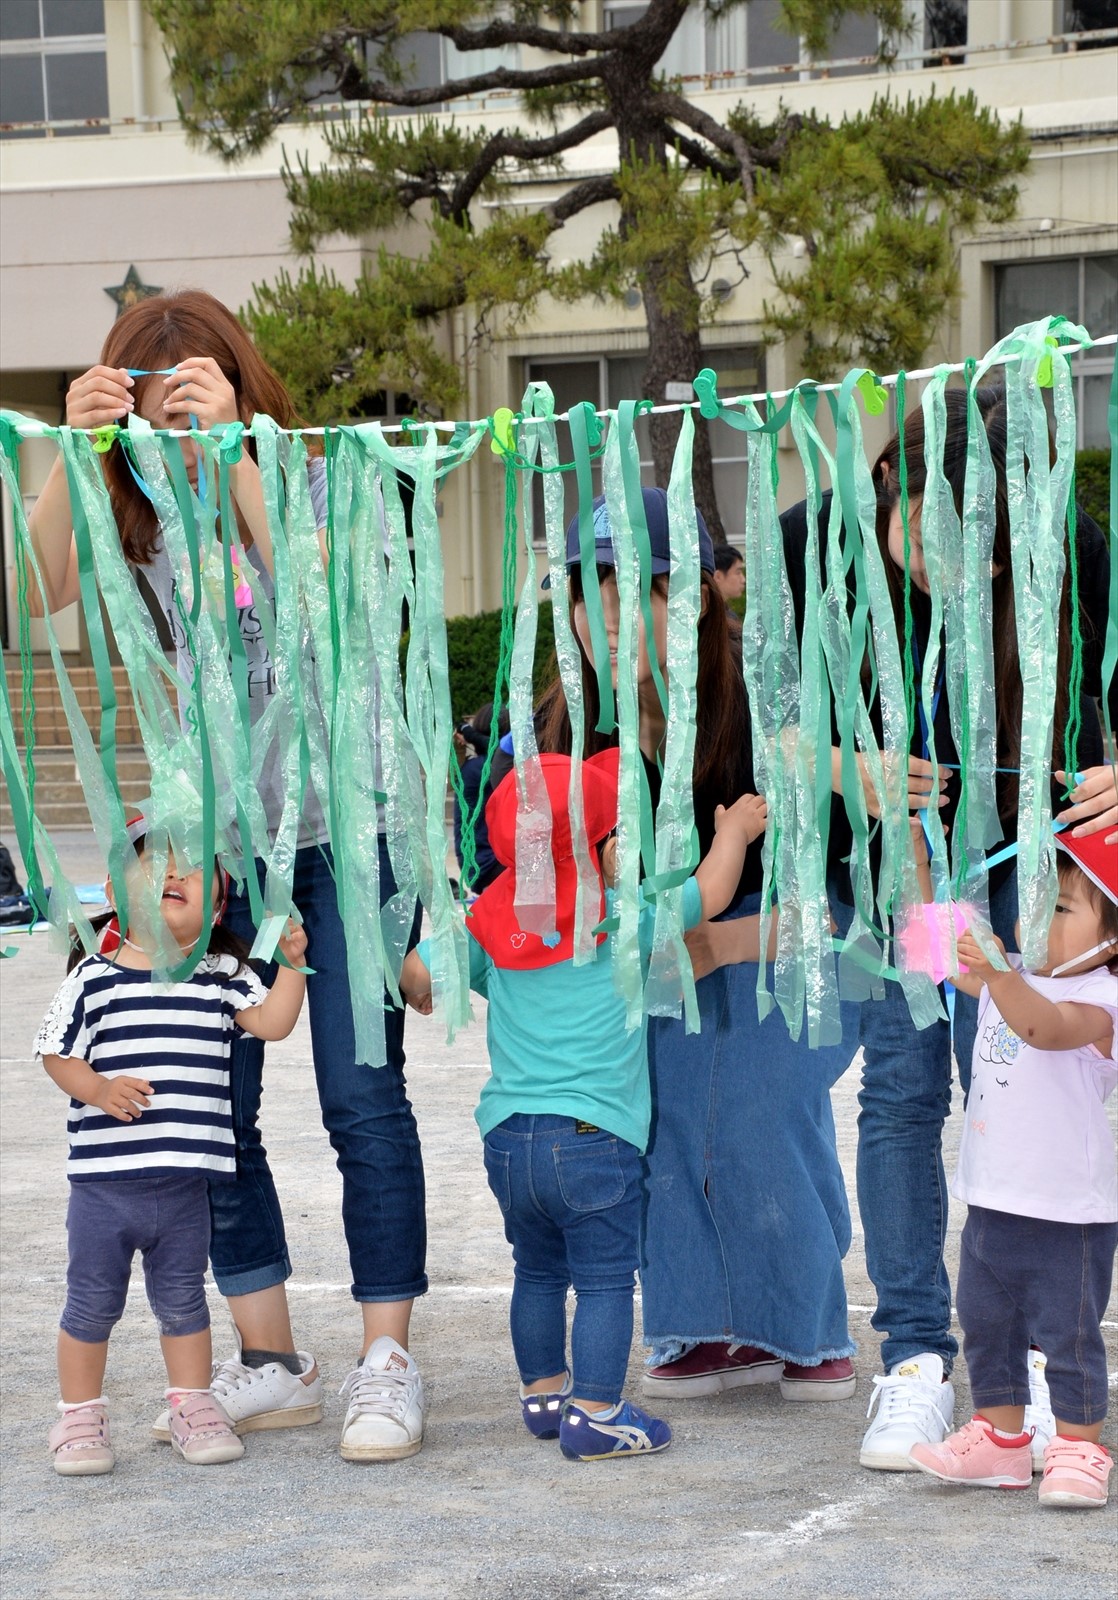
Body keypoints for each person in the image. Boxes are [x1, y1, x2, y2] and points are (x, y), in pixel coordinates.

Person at [26, 290, 429, 1462]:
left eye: (196, 392)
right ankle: (270, 1356)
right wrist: (70, 451)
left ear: (244, 384)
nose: (178, 424)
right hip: (208, 847)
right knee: (216, 1114)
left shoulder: (303, 474)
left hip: (339, 830)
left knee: (362, 1097)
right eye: (157, 405)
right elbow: (29, 591)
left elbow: (322, 604)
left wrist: (240, 444)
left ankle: (386, 1359)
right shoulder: (134, 516)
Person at [780, 386, 1118, 1469]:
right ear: (892, 482)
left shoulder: (1080, 551)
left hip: (1030, 889)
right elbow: (766, 732)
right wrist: (853, 770)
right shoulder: (811, 548)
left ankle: (1023, 1362)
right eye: (935, 538)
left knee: (1007, 1083)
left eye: (987, 554)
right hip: (908, 880)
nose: (954, 573)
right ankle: (917, 1357)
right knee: (904, 1082)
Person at [536, 487, 862, 1404]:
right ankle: (701, 1322)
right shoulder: (565, 723)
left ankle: (803, 1322)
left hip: (795, 934)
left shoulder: (766, 696)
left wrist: (720, 943)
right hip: (658, 945)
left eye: (636, 586)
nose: (607, 611)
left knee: (758, 1100)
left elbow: (836, 896)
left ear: (697, 599)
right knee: (661, 1109)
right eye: (587, 587)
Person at [400, 748, 770, 1459]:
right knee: (602, 1282)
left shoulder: (492, 918)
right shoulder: (620, 916)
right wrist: (734, 834)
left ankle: (544, 1393)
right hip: (594, 1138)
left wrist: (422, 984)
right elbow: (712, 892)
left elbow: (422, 971)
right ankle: (596, 1411)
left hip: (507, 1139)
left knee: (535, 1272)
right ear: (602, 846)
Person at [34, 809, 308, 1474]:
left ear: (217, 913)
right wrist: (97, 1090)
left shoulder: (217, 975)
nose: (173, 873)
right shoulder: (93, 978)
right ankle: (78, 1417)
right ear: (111, 887)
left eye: (193, 870)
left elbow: (272, 1024)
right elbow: (54, 1054)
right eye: (153, 862)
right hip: (104, 1187)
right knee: (91, 1301)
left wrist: (294, 966)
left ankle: (192, 1404)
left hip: (186, 1188)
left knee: (184, 1301)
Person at [908, 832, 1117, 1508]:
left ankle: (1079, 1446)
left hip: (1067, 1213)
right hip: (993, 1197)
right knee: (985, 1318)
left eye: (1061, 908)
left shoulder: (1102, 999)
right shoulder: (1017, 971)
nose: (1038, 917)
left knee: (1068, 1332)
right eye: (1036, 901)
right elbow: (933, 953)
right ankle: (1000, 1442)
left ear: (1110, 938)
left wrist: (999, 974)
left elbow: (1044, 1029)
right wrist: (916, 858)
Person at [453, 701, 511, 893]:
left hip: (484, 863)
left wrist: (471, 735)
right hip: (488, 864)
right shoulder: (480, 768)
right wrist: (472, 735)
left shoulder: (477, 766)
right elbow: (499, 756)